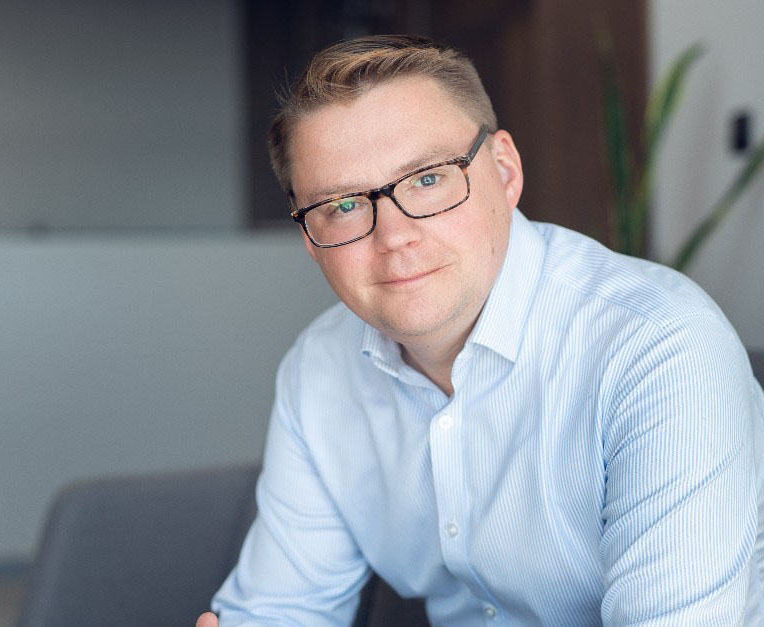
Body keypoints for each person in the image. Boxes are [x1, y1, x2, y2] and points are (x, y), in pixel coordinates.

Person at [197, 35, 764, 626]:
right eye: (341, 206)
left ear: (505, 171)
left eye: (427, 179)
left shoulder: (657, 345)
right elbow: (283, 611)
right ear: (310, 240)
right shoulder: (319, 369)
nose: (394, 237)